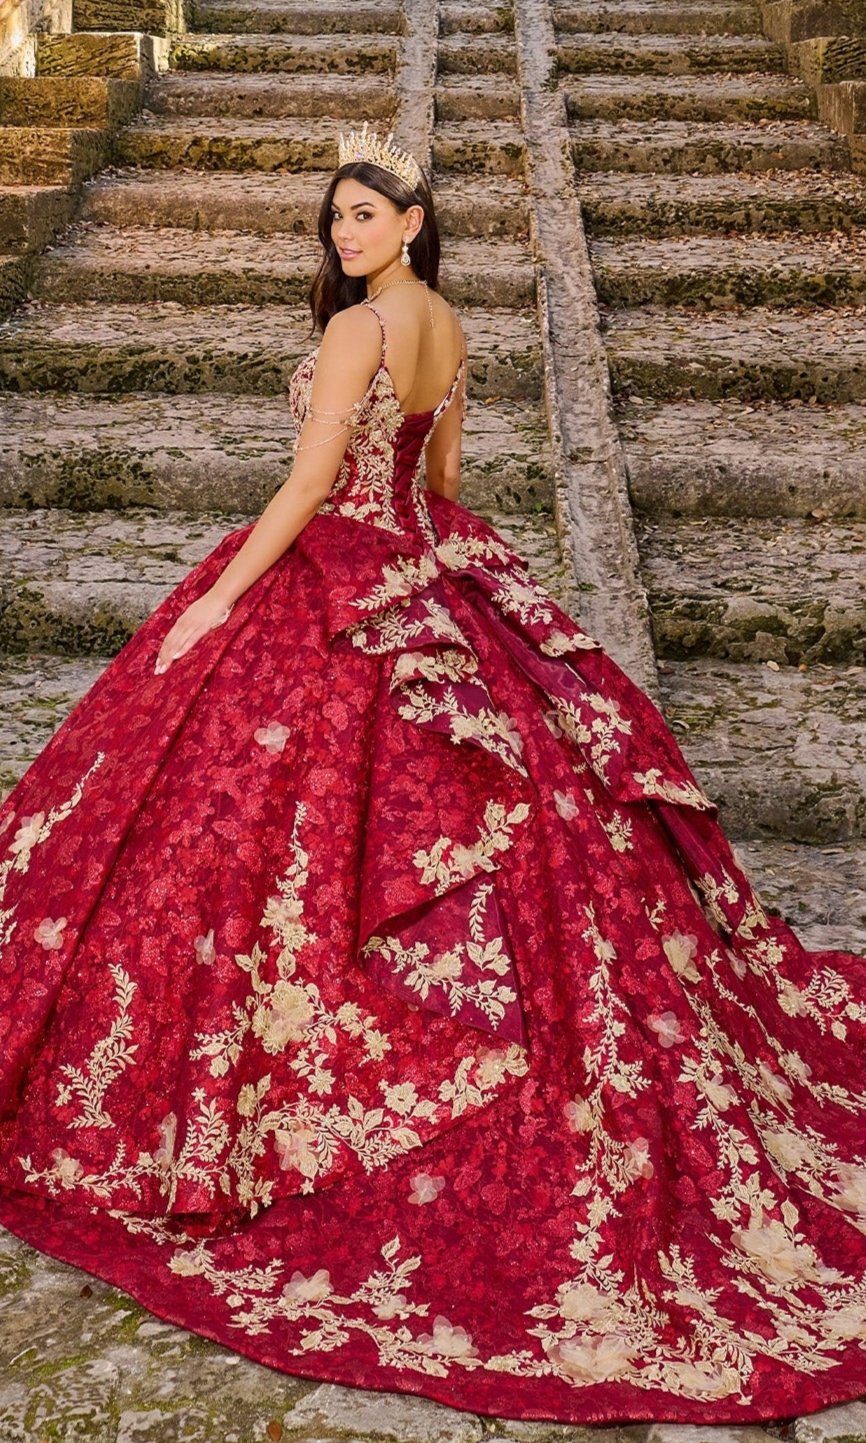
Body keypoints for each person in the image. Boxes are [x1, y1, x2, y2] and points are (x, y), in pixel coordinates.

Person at [1, 122, 866, 1428]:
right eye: (333, 218)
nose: (343, 236)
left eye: (363, 215)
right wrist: (467, 600)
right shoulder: (448, 327)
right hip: (422, 564)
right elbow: (445, 488)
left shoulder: (359, 330)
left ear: (410, 221)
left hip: (331, 578)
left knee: (224, 826)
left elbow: (306, 485)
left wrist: (208, 605)